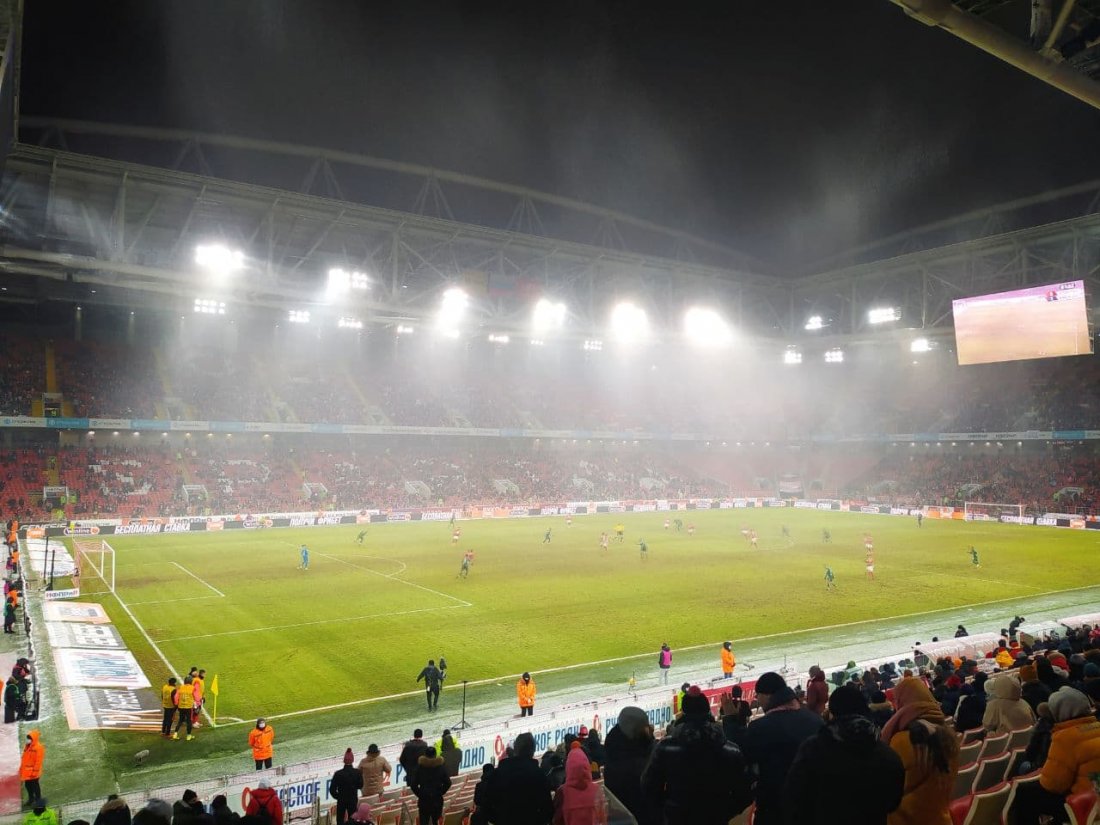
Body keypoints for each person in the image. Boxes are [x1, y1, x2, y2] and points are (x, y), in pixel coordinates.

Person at [783, 685, 905, 825]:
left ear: (832, 712)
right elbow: (893, 802)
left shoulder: (812, 749)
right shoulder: (885, 752)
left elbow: (793, 798)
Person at [642, 686, 752, 825]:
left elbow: (649, 786)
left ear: (683, 713)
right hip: (716, 818)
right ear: (708, 711)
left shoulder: (665, 748)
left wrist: (669, 808)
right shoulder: (731, 750)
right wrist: (724, 811)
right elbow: (745, 792)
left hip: (678, 818)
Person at [740, 672, 824, 825]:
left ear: (767, 695)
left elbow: (743, 763)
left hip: (773, 809)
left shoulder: (759, 728)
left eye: (758, 696)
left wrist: (732, 720)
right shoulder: (816, 721)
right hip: (812, 807)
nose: (758, 700)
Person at [1012, 686, 1100, 822]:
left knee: (1025, 793)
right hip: (1093, 794)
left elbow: (1053, 784)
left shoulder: (1065, 737)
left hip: (1087, 804)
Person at [880, 677, 959, 825]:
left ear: (902, 701)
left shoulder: (902, 740)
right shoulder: (949, 734)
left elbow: (889, 791)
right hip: (941, 819)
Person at [478, 732, 553, 825]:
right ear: (533, 751)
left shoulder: (499, 773)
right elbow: (547, 809)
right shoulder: (539, 775)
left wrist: (499, 819)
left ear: (516, 749)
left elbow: (486, 804)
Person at [553, 746, 602, 825]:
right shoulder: (597, 789)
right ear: (587, 766)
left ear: (568, 767)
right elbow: (602, 817)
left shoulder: (562, 792)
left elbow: (557, 820)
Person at [330, 748, 364, 823]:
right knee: (352, 820)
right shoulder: (357, 773)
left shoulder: (338, 774)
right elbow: (361, 785)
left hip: (341, 800)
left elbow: (332, 790)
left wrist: (339, 797)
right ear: (352, 760)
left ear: (344, 761)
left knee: (340, 820)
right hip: (353, 799)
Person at [20, 729, 44, 806]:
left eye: (29, 738)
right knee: (28, 785)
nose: (27, 740)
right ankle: (31, 799)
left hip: (34, 772)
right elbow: (25, 758)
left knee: (35, 786)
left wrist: (35, 772)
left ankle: (38, 800)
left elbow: (38, 761)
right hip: (27, 771)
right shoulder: (28, 746)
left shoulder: (39, 748)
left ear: (33, 739)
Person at [172, 676, 196, 740]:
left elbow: (176, 697)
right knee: (189, 721)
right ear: (191, 681)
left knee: (180, 720)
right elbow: (196, 697)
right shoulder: (193, 688)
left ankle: (175, 734)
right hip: (188, 707)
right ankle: (188, 735)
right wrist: (196, 703)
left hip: (181, 707)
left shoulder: (180, 687)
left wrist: (176, 704)